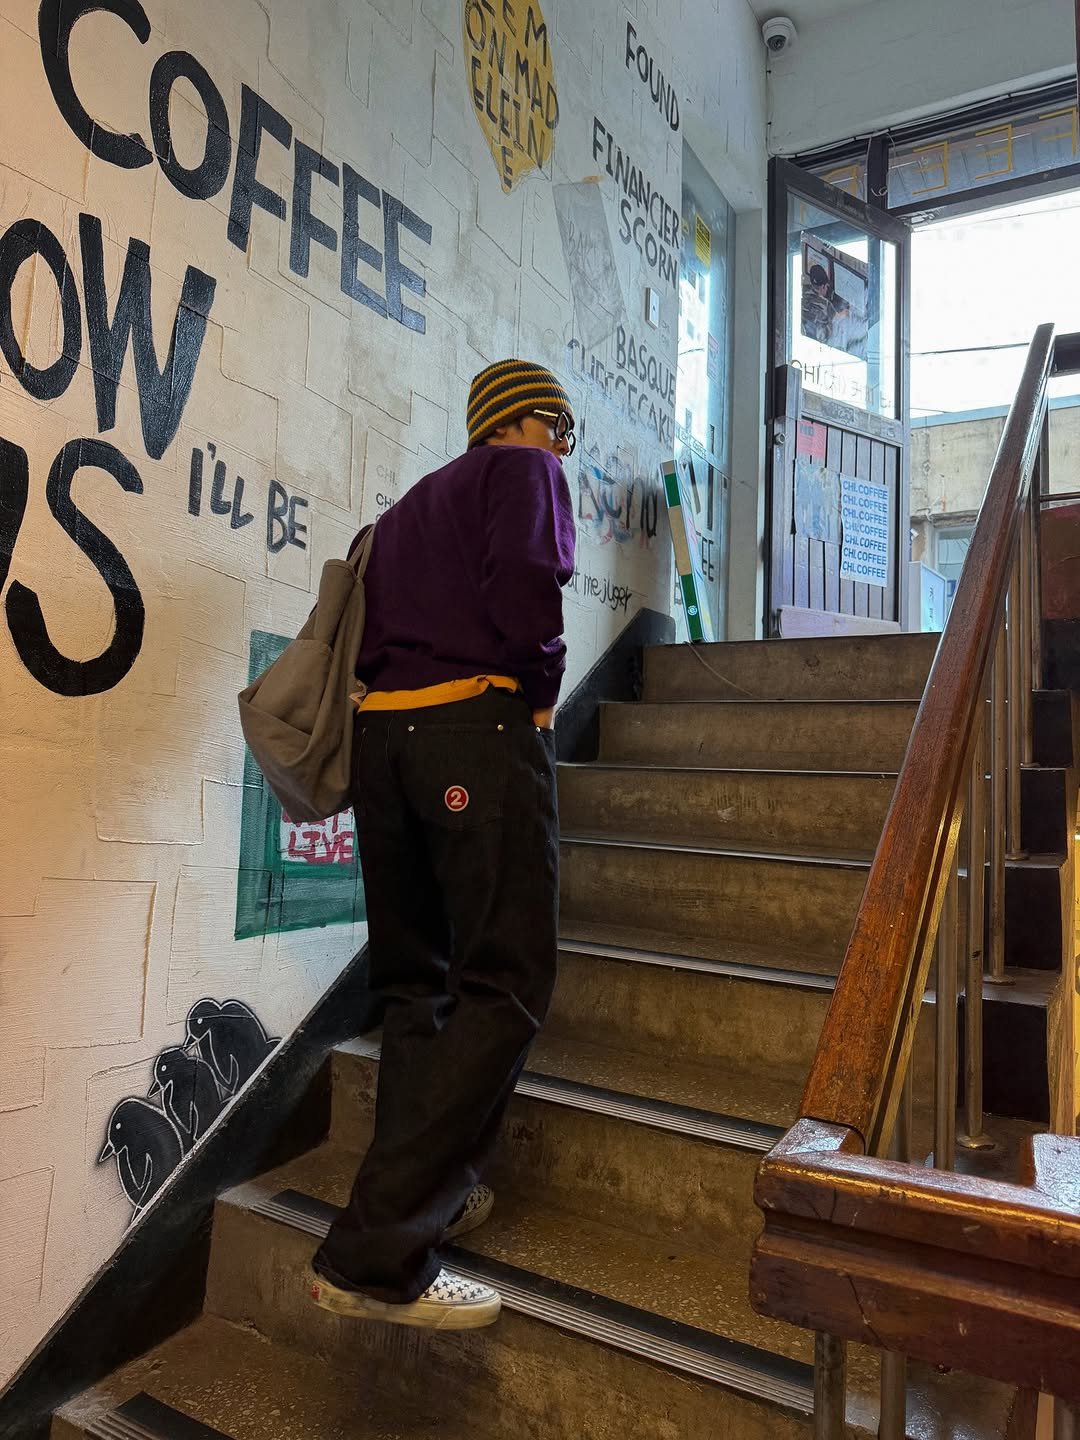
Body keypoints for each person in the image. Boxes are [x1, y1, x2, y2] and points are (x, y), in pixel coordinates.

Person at [309, 359, 577, 1331]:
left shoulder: (405, 512)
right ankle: (377, 1253)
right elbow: (527, 584)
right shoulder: (524, 473)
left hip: (384, 749)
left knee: (418, 987)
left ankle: (433, 1193)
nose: (564, 451)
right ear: (526, 419)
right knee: (507, 983)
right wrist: (543, 689)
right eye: (562, 428)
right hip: (475, 730)